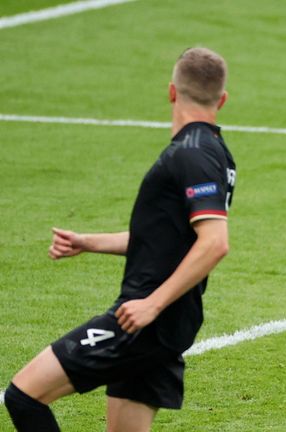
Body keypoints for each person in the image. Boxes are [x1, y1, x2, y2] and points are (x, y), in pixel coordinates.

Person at [4, 47, 236, 430]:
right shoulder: (211, 151)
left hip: (143, 322)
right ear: (222, 100)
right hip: (160, 321)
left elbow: (215, 242)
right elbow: (166, 238)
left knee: (24, 395)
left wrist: (151, 305)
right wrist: (89, 242)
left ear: (171, 92)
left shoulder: (192, 155)